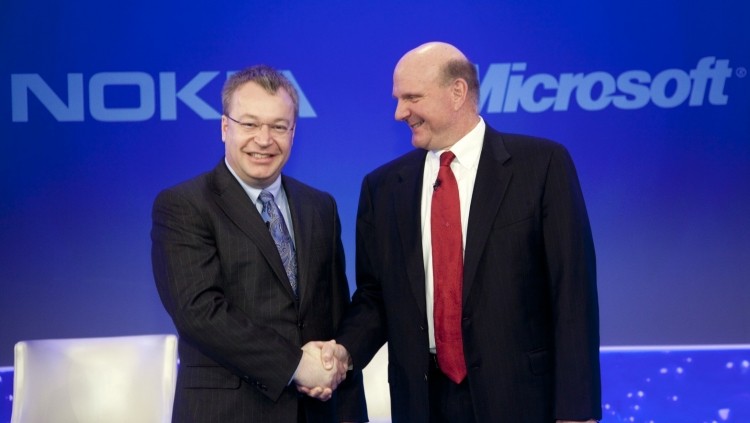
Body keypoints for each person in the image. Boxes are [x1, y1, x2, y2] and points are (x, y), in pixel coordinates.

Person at [322, 42, 601, 422]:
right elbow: (375, 297)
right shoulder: (383, 188)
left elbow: (572, 292)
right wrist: (343, 352)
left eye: (412, 98)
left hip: (521, 400)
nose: (399, 112)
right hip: (422, 402)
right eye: (398, 99)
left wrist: (577, 410)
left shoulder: (542, 165)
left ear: (457, 92)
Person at [151, 64, 366, 423]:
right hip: (228, 412)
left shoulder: (320, 206)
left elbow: (334, 311)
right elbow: (200, 313)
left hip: (317, 412)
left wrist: (338, 371)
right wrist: (297, 366)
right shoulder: (184, 205)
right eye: (250, 124)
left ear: (293, 132)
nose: (264, 140)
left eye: (278, 126)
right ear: (225, 127)